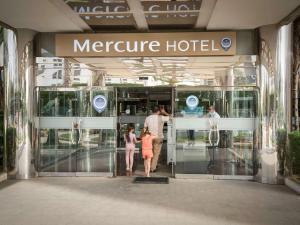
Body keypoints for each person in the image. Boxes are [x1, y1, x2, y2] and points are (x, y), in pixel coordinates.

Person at [144, 105, 170, 172]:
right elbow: (172, 118)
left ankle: (149, 166)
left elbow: (145, 128)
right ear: (159, 111)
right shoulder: (161, 117)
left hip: (149, 138)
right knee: (156, 153)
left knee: (150, 152)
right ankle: (152, 168)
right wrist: (164, 112)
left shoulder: (148, 118)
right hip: (158, 138)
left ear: (152, 111)